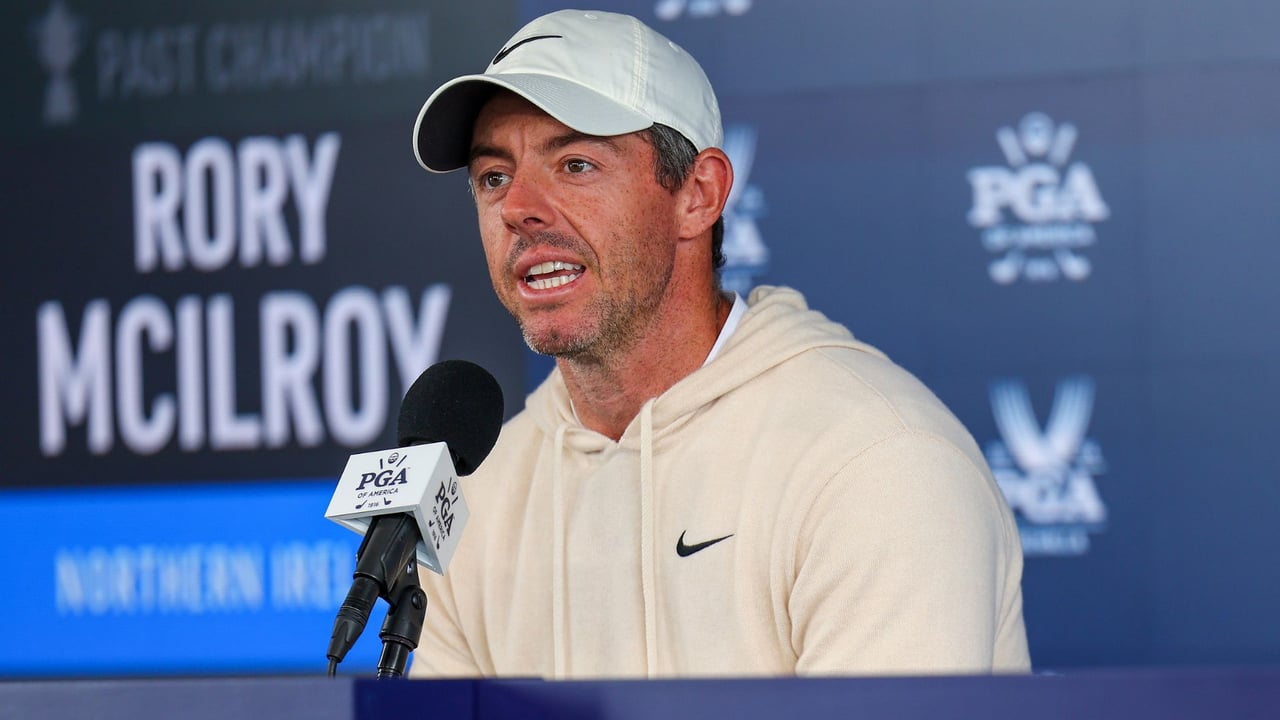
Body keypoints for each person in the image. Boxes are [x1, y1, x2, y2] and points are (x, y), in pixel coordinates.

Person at [407, 9, 1030, 678]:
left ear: (698, 195)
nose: (519, 207)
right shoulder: (476, 499)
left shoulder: (877, 463)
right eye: (493, 176)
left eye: (576, 163)